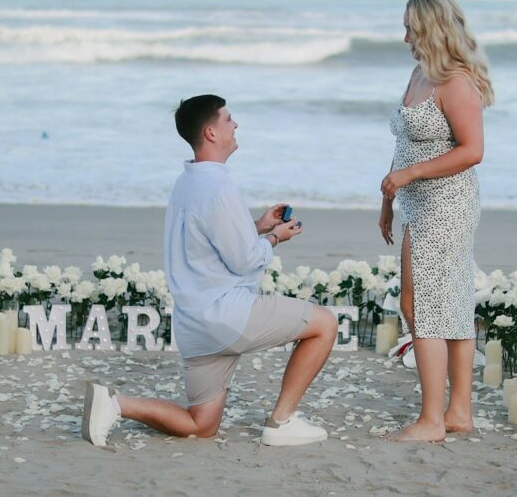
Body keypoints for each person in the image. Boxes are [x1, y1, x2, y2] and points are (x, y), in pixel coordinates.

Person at [82, 94, 338, 447]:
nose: (236, 124)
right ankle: (282, 422)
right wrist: (275, 238)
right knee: (324, 324)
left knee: (200, 425)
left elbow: (208, 239)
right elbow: (244, 260)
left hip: (194, 324)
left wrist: (258, 226)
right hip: (226, 316)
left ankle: (115, 404)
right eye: (229, 119)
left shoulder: (186, 182)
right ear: (211, 132)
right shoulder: (218, 185)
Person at [378, 0, 494, 442]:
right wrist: (388, 200)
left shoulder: (455, 82)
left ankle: (432, 420)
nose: (405, 36)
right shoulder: (419, 73)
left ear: (433, 29)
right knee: (446, 302)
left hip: (448, 204)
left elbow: (472, 151)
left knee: (423, 305)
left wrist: (408, 175)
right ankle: (459, 412)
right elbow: (405, 142)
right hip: (416, 203)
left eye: (411, 28)